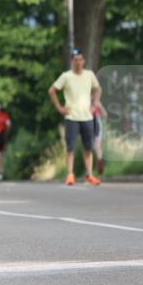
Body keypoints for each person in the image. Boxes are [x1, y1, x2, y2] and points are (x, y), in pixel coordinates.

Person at [49, 50, 102, 186]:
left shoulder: (89, 75)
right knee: (70, 147)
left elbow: (98, 89)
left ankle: (89, 174)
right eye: (75, 60)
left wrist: (95, 103)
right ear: (72, 61)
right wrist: (60, 107)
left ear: (84, 61)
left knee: (88, 148)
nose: (78, 62)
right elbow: (52, 90)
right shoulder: (66, 76)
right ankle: (70, 174)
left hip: (87, 116)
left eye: (80, 60)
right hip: (72, 117)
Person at [92, 101, 108, 176]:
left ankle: (100, 167)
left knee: (97, 146)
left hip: (95, 121)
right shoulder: (83, 99)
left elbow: (105, 114)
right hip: (87, 121)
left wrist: (99, 106)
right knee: (90, 147)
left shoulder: (96, 101)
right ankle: (91, 170)